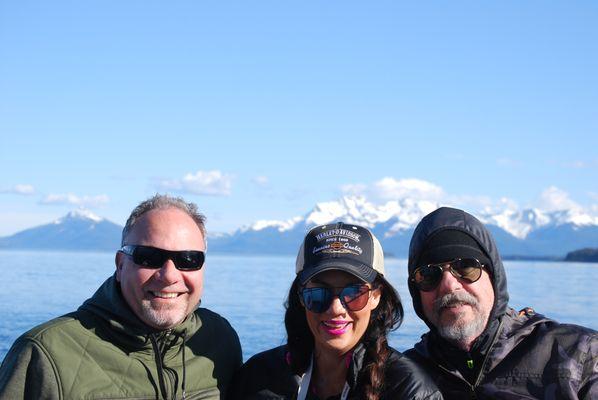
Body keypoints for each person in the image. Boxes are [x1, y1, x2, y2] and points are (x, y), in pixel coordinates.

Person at [0, 194, 242, 399]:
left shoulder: (218, 338)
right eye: (149, 257)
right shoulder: (45, 353)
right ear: (120, 265)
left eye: (188, 260)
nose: (169, 275)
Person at [230, 222, 442, 400]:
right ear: (301, 297)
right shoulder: (259, 377)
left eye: (354, 292)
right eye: (318, 293)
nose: (335, 309)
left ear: (376, 296)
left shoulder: (408, 390)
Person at [405, 206, 598, 399]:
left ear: (494, 277)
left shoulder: (581, 355)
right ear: (416, 291)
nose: (449, 285)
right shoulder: (400, 377)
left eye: (465, 267)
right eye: (428, 274)